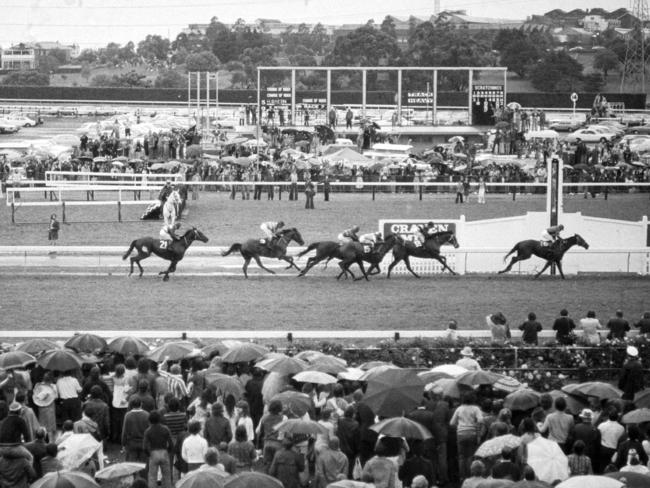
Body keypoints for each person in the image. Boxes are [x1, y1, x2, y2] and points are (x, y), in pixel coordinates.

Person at [450, 392, 483, 481]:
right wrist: (477, 428)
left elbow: (452, 423)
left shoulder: (459, 409)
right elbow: (480, 420)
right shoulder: (476, 408)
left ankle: (462, 477)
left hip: (460, 434)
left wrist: (460, 426)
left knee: (461, 457)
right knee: (470, 456)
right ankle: (470, 476)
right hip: (472, 433)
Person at [143, 410, 173, 488]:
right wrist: (168, 451)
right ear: (159, 419)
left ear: (149, 419)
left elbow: (144, 446)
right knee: (167, 475)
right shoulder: (165, 429)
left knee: (152, 476)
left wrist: (148, 454)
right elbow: (171, 442)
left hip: (153, 453)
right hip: (164, 452)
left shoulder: (148, 431)